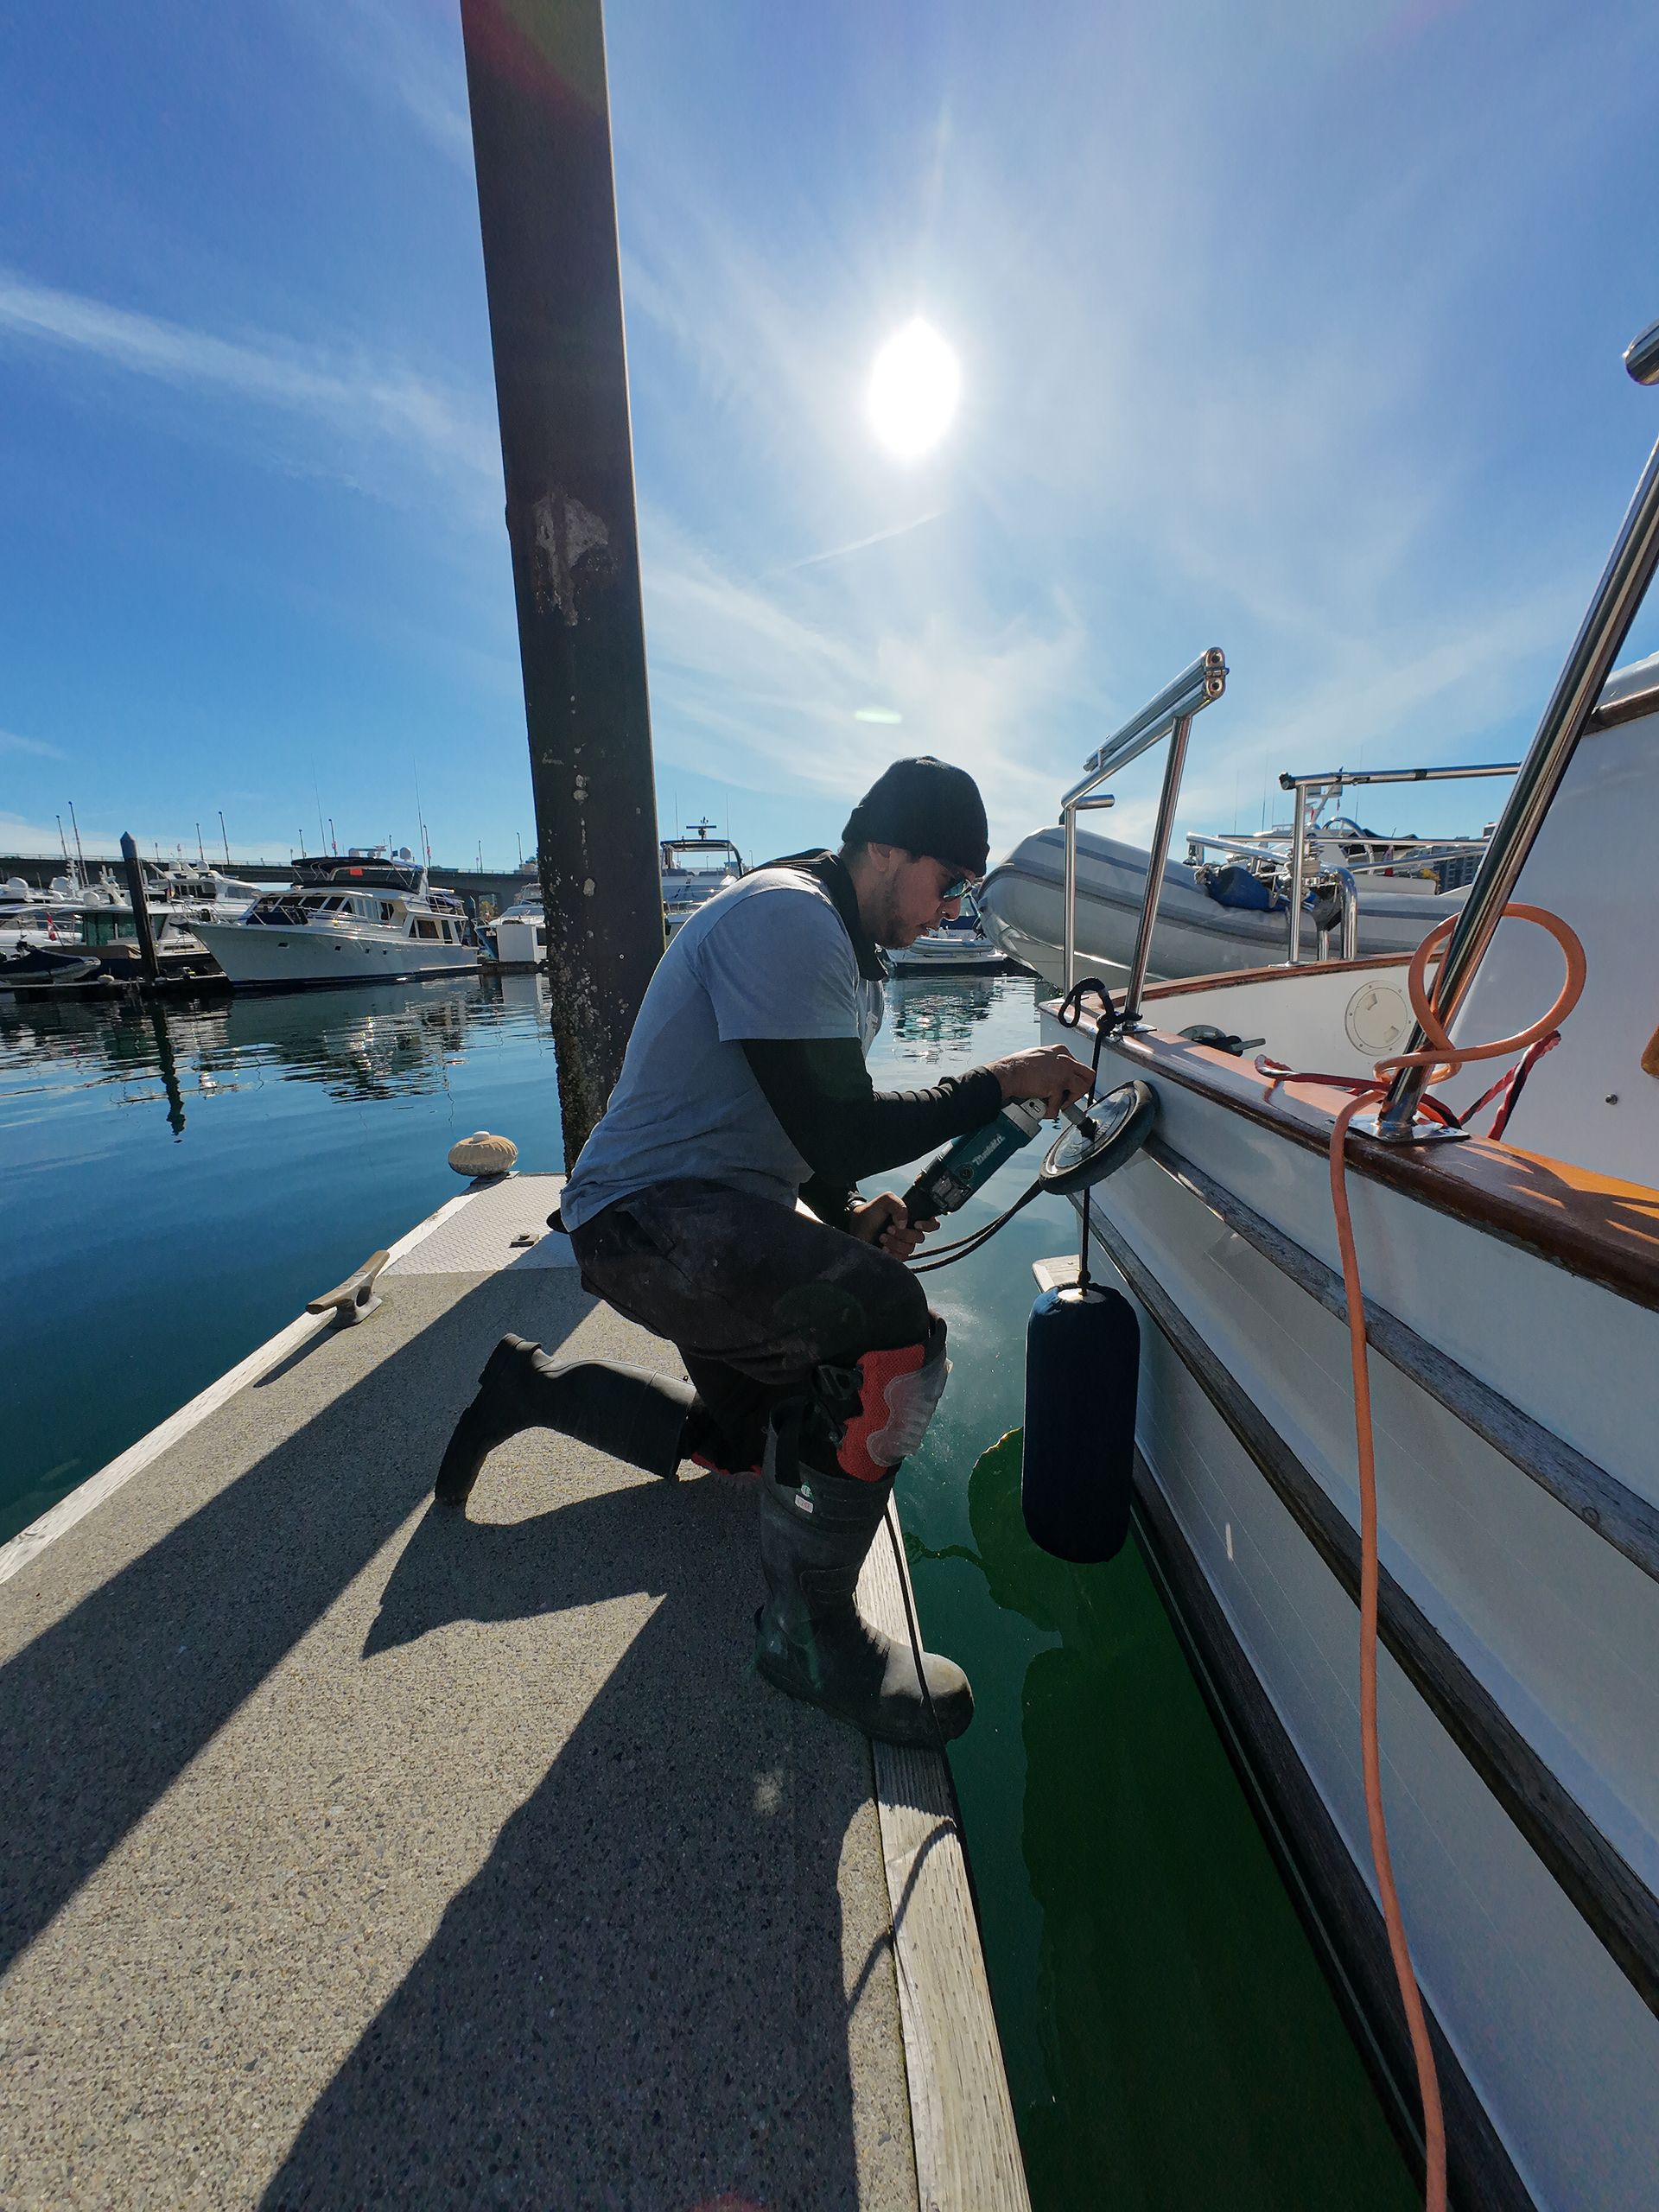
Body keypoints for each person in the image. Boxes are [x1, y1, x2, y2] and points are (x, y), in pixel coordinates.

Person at [435, 757, 1093, 1745]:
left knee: (755, 1447)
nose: (952, 908)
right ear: (882, 849)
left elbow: (799, 1132)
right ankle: (807, 1635)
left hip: (690, 1227)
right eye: (947, 880)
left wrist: (847, 1209)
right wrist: (1002, 1077)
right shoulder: (788, 915)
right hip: (648, 1222)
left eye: (964, 891)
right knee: (895, 1330)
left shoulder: (842, 948)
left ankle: (531, 1390)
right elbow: (840, 1125)